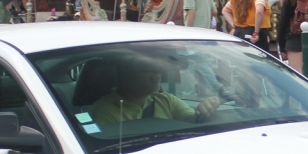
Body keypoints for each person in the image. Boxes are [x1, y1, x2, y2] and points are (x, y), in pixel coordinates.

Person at [89, 56, 220, 127]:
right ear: (124, 74)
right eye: (145, 68)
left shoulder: (167, 100)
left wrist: (203, 112)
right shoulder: (103, 111)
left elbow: (192, 121)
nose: (157, 73)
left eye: (156, 68)